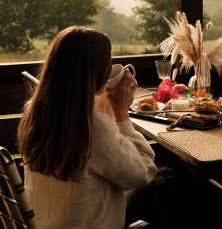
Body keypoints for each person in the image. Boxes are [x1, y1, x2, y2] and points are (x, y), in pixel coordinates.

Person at [18, 26, 157, 229]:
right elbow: (144, 171)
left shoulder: (34, 113)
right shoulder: (92, 126)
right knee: (160, 187)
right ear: (95, 71)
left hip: (48, 223)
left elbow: (101, 155)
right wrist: (122, 112)